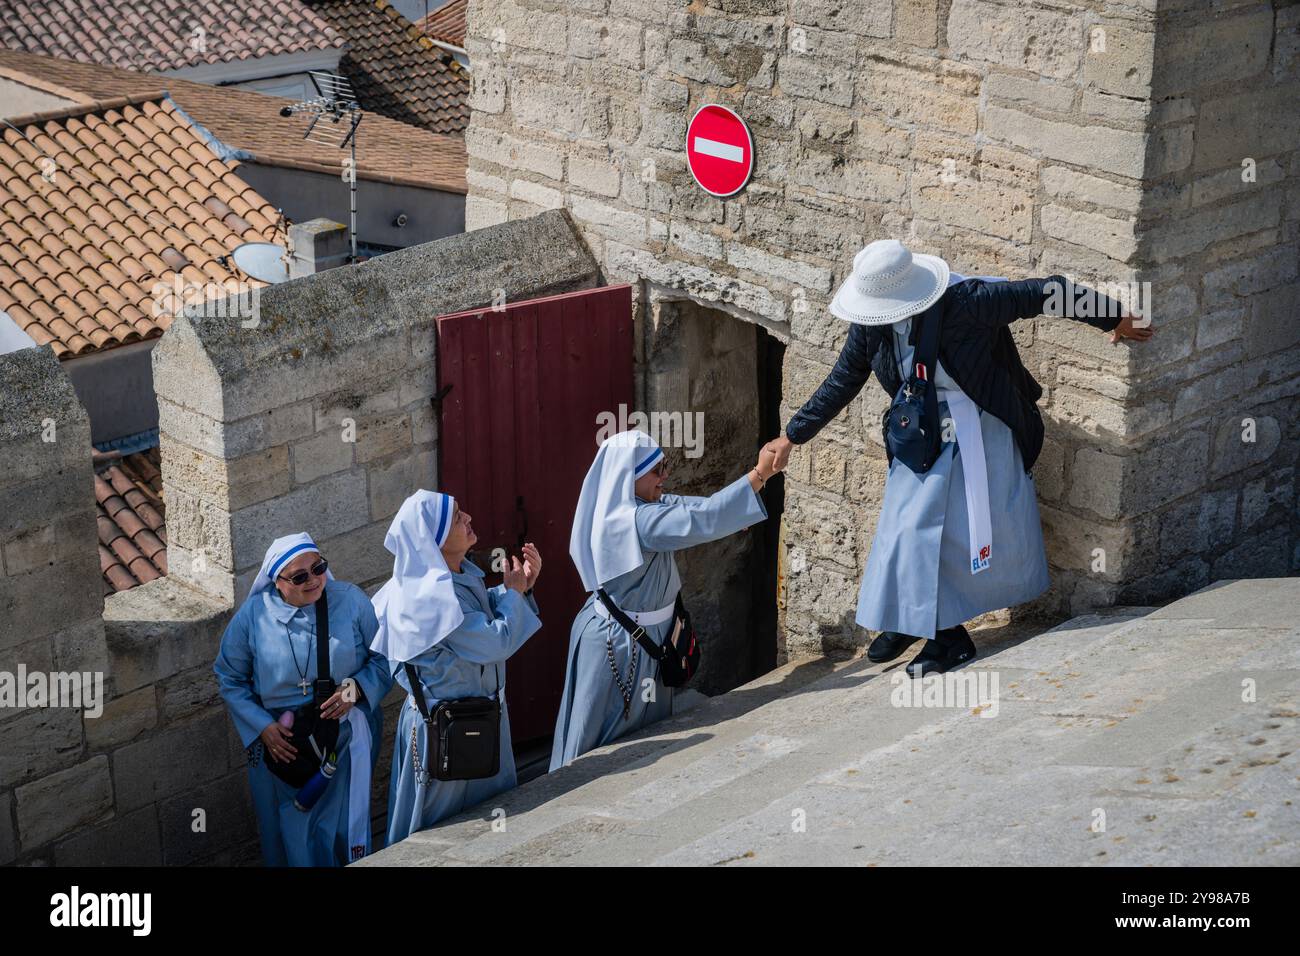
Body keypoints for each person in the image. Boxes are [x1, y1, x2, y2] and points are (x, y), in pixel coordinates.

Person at [765, 239, 1155, 676]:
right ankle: (912, 618)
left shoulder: (968, 303)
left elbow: (1048, 291)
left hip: (979, 427)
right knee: (902, 528)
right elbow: (843, 378)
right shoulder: (871, 324)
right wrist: (793, 436)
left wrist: (1113, 317)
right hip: (921, 433)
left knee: (937, 534)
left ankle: (944, 637)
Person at [550, 429, 780, 771]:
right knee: (594, 741)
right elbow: (701, 520)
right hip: (621, 644)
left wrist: (731, 515)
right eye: (657, 470)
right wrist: (760, 474)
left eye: (665, 465)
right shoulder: (640, 521)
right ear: (630, 478)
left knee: (643, 737)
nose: (665, 476)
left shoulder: (636, 506)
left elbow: (694, 509)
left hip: (642, 642)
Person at [214, 533, 392, 866]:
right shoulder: (253, 617)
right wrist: (262, 726)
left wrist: (355, 690)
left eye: (319, 568)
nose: (314, 580)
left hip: (343, 736)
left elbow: (384, 659)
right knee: (287, 827)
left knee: (341, 821)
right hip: (280, 743)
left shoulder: (351, 602)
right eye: (300, 576)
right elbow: (230, 677)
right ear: (277, 582)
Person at [377, 490, 542, 843]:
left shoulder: (458, 574)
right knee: (439, 830)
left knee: (492, 816)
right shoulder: (429, 598)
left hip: (479, 719)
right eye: (455, 518)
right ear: (433, 540)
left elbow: (477, 613)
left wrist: (519, 589)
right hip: (446, 729)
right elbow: (492, 642)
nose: (467, 517)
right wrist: (514, 594)